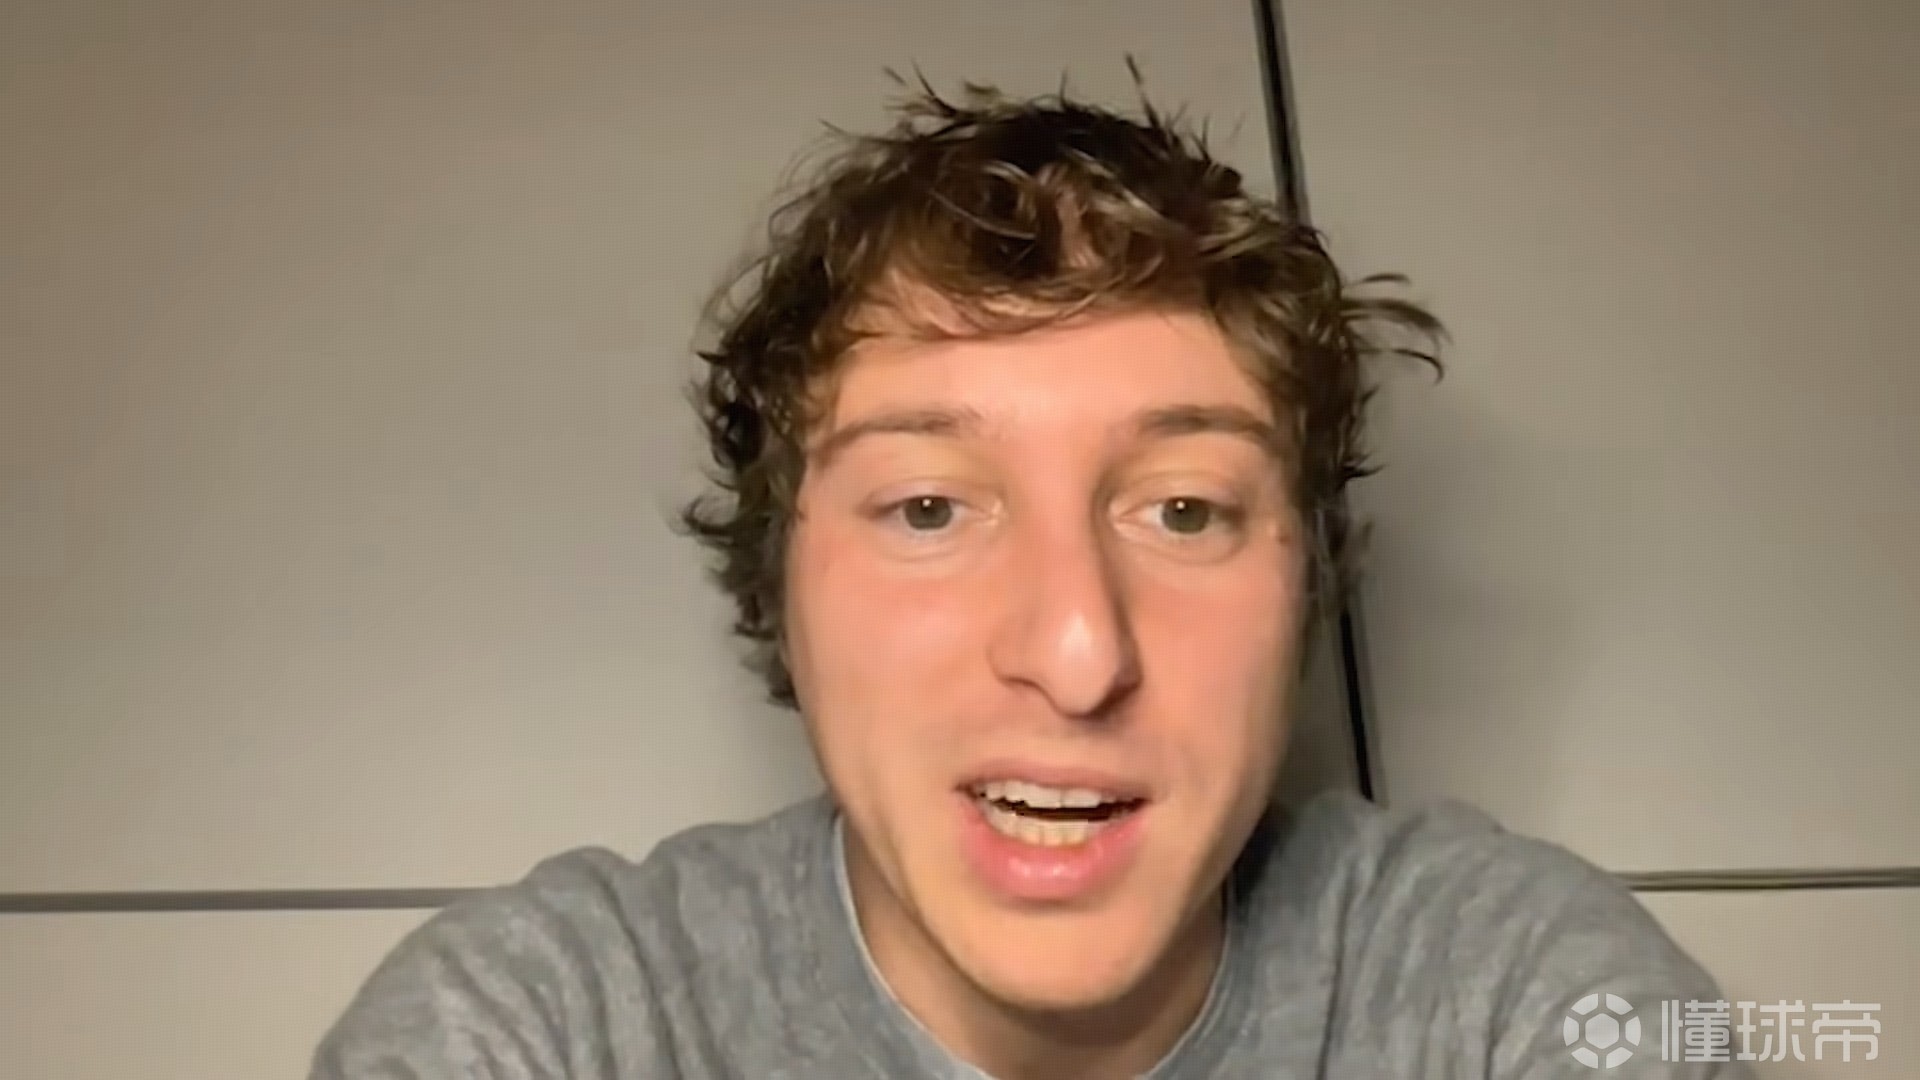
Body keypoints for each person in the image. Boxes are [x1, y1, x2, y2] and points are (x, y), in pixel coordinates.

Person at [311, 81, 1746, 1079]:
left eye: (1184, 510)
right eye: (929, 507)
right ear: (780, 587)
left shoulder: (1509, 990)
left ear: (1306, 587)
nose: (1077, 653)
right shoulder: (544, 1024)